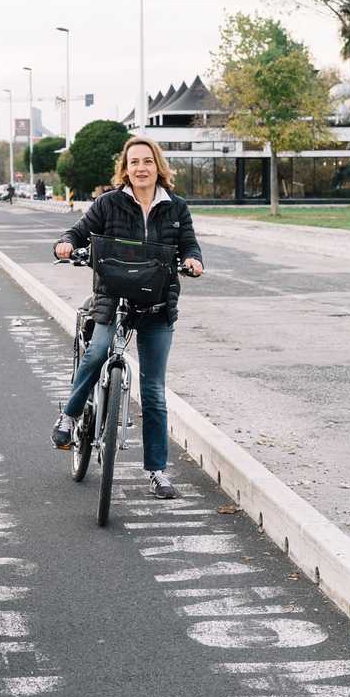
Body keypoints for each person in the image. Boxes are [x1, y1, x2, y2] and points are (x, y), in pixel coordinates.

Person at [50, 136, 203, 500]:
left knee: (153, 390)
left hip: (157, 304)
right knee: (98, 349)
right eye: (134, 162)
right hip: (114, 298)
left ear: (158, 166)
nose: (141, 168)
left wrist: (194, 260)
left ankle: (157, 472)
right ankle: (69, 417)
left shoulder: (176, 208)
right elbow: (78, 230)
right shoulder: (109, 203)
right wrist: (66, 243)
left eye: (147, 161)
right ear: (126, 168)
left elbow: (190, 245)